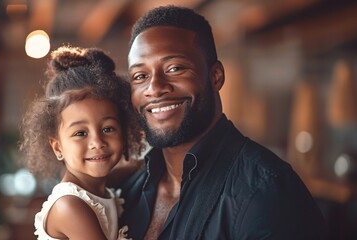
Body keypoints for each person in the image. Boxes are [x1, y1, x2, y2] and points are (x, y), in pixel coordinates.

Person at [119, 5, 327, 240]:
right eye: (140, 76)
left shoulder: (266, 189)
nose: (155, 87)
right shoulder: (126, 191)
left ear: (216, 76)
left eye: (175, 68)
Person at [19, 45, 143, 240]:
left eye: (108, 129)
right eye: (80, 133)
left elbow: (129, 169)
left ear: (125, 132)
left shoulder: (98, 188)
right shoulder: (70, 205)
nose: (97, 142)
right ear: (57, 146)